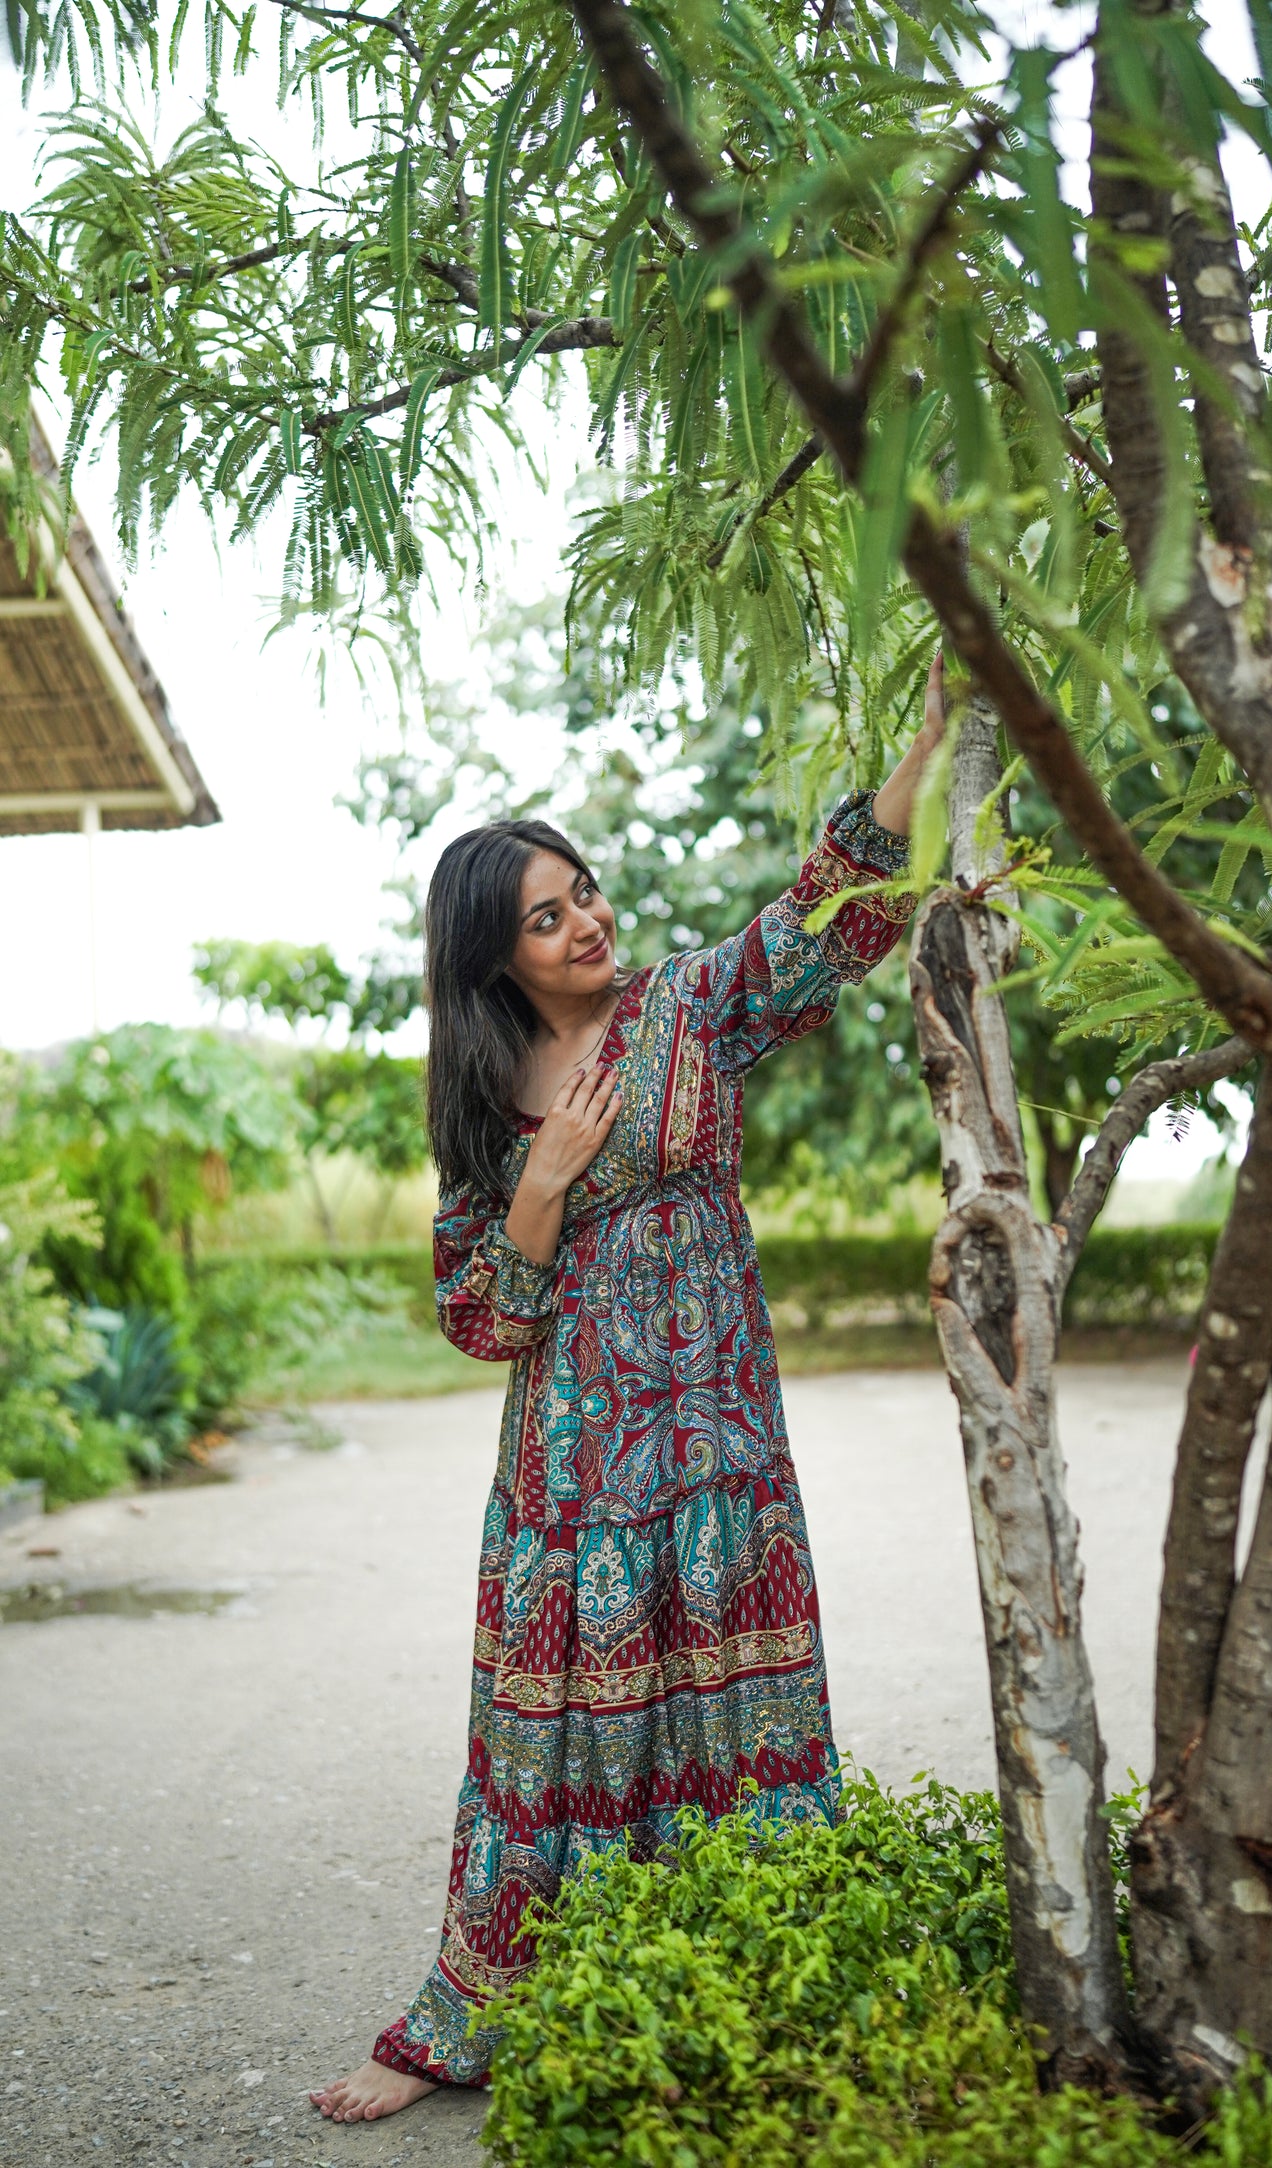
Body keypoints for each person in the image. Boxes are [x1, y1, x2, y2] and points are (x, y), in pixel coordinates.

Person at [310, 657, 948, 2123]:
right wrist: (539, 1187)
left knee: (735, 1718)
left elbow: (830, 916)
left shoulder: (684, 1014)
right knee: (549, 1744)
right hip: (571, 1468)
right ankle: (462, 2027)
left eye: (584, 891)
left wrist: (927, 744)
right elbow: (479, 1318)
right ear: (496, 957)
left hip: (717, 1447)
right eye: (548, 914)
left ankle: (747, 1986)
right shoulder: (479, 1101)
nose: (587, 918)